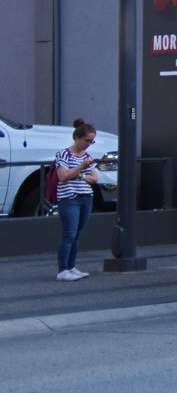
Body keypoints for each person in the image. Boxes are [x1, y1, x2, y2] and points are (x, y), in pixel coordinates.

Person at [55, 118, 99, 282]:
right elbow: (63, 177)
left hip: (85, 198)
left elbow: (94, 179)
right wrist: (81, 170)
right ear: (77, 138)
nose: (89, 144)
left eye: (91, 141)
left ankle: (72, 267)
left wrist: (80, 175)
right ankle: (62, 270)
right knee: (69, 234)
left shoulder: (87, 156)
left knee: (77, 235)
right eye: (87, 141)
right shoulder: (64, 154)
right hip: (69, 199)